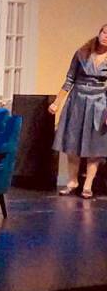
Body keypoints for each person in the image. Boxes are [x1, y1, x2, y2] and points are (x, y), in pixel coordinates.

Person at [50, 23, 107, 199]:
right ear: (99, 33)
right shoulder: (82, 53)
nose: (106, 37)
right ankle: (72, 181)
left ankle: (88, 185)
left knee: (94, 145)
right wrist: (57, 102)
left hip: (99, 102)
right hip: (77, 100)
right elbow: (69, 79)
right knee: (72, 141)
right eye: (105, 32)